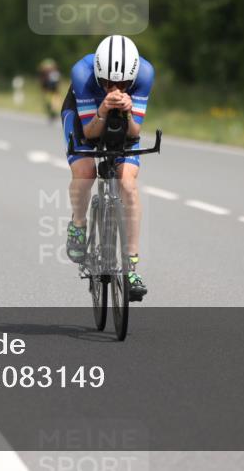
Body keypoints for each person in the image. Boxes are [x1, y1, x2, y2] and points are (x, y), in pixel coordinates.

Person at [61, 35, 153, 301]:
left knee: (127, 184)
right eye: (108, 82)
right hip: (85, 117)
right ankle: (78, 224)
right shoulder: (83, 74)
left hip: (120, 119)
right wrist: (102, 109)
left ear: (133, 77)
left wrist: (127, 111)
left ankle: (131, 267)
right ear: (98, 75)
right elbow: (89, 133)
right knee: (86, 170)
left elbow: (135, 132)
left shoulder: (145, 73)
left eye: (123, 84)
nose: (115, 87)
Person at [37, 57, 61, 122]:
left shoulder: (52, 74)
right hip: (49, 89)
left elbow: (56, 82)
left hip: (51, 90)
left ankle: (53, 112)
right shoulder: (54, 73)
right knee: (50, 101)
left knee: (52, 102)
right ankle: (52, 112)